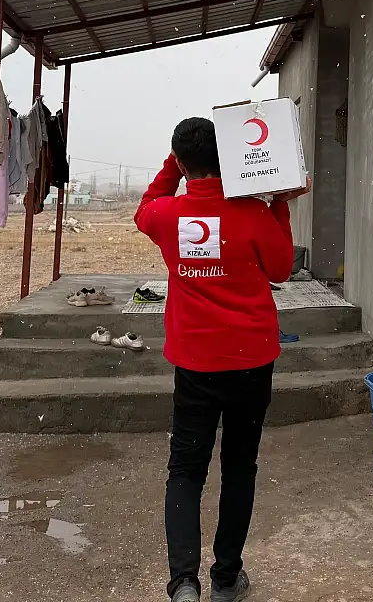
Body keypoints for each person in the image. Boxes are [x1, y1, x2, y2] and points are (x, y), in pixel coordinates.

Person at [134, 117, 310, 602]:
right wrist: (279, 203)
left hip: (195, 365)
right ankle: (226, 579)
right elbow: (281, 270)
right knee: (238, 466)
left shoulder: (167, 215)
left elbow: (145, 207)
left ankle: (183, 583)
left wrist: (174, 164)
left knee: (186, 470)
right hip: (251, 361)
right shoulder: (252, 213)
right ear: (228, 156)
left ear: (181, 163)